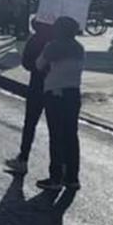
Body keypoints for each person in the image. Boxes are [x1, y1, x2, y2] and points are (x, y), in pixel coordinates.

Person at [35, 16, 85, 191]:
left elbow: (39, 64)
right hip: (74, 94)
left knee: (56, 136)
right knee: (71, 135)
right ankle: (72, 177)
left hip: (55, 94)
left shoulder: (53, 46)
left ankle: (55, 177)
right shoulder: (79, 48)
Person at [5, 17, 54, 175]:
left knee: (30, 124)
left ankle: (23, 159)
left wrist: (37, 66)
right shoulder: (58, 40)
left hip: (37, 85)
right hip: (55, 87)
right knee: (55, 128)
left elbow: (26, 63)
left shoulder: (35, 39)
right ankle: (59, 166)